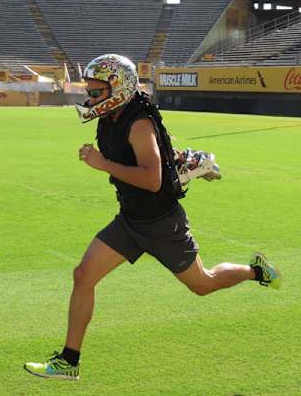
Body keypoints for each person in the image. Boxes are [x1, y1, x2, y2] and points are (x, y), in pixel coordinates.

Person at [24, 54, 282, 381]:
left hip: (162, 224)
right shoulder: (111, 117)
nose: (90, 98)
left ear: (118, 89)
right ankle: (69, 361)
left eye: (96, 91)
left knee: (203, 284)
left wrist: (103, 164)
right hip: (131, 220)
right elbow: (162, 152)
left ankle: (255, 271)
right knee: (83, 275)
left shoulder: (138, 122)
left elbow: (152, 179)